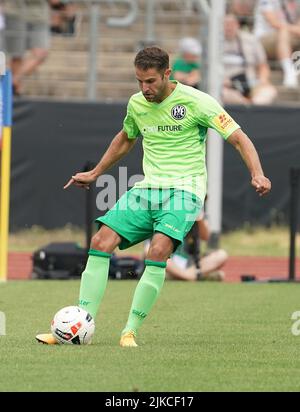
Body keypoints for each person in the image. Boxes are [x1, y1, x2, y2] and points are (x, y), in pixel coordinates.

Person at [35, 46, 271, 347]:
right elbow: (125, 138)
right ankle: (81, 324)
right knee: (100, 241)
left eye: (150, 81)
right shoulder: (136, 104)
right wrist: (96, 173)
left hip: (185, 190)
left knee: (158, 251)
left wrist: (257, 173)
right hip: (148, 188)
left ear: (167, 74)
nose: (144, 88)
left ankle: (129, 331)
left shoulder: (198, 102)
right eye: (139, 81)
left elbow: (239, 137)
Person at [144, 210, 228, 282]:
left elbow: (205, 237)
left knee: (222, 255)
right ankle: (193, 276)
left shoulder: (195, 211)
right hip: (168, 261)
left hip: (190, 264)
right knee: (148, 250)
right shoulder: (165, 211)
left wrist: (199, 219)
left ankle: (180, 276)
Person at [223, 14, 277, 105]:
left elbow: (263, 65)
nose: (229, 27)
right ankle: (246, 105)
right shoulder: (213, 42)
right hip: (227, 87)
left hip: (249, 83)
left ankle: (250, 107)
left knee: (270, 91)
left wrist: (263, 80)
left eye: (232, 24)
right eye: (226, 24)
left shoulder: (250, 40)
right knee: (221, 93)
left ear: (237, 25)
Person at [3, 0, 50, 95]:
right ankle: (14, 89)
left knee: (41, 54)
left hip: (38, 16)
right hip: (15, 13)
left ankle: (11, 82)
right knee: (17, 56)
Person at [253, 0, 300, 87]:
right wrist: (296, 30)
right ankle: (289, 72)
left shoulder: (297, 3)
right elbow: (274, 23)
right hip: (263, 40)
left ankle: (296, 69)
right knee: (283, 31)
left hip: (288, 38)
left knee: (285, 32)